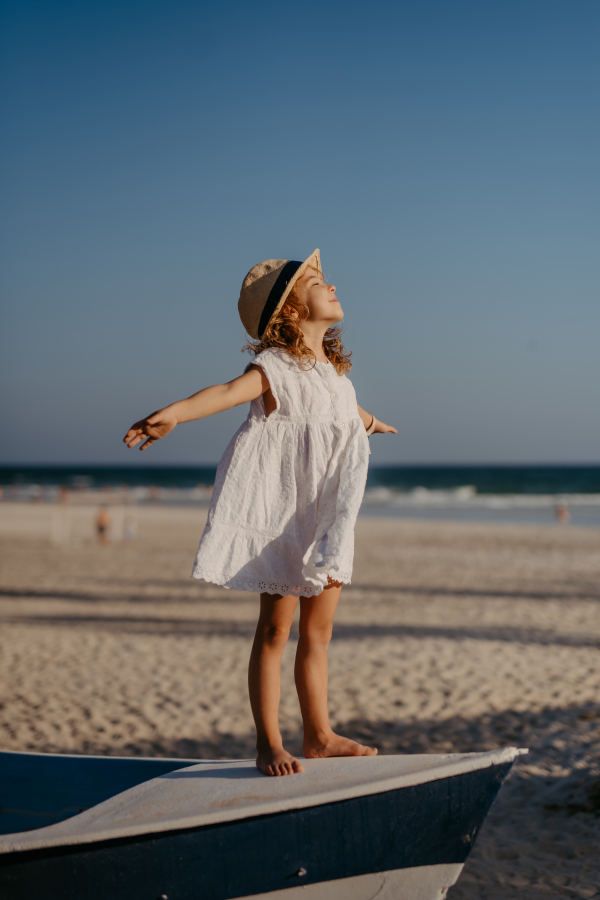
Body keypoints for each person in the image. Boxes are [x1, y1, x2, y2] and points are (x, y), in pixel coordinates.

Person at [123, 250, 397, 776]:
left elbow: (344, 414)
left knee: (320, 634)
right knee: (275, 631)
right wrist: (173, 414)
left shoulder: (338, 378)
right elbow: (227, 393)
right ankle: (269, 741)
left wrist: (373, 422)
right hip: (285, 519)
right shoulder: (275, 368)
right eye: (316, 283)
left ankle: (318, 734)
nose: (331, 287)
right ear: (290, 313)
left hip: (330, 518)